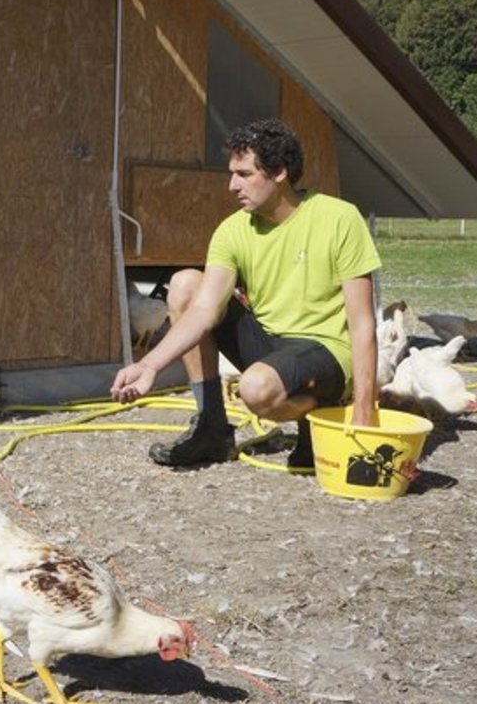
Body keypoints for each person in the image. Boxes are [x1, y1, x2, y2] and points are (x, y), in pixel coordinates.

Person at [110, 118, 381, 469]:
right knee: (186, 285)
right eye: (232, 173)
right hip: (270, 342)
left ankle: (321, 416)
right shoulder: (232, 230)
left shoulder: (340, 218)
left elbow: (362, 324)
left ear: (279, 171)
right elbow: (203, 310)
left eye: (244, 174)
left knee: (255, 388)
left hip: (326, 350)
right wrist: (149, 366)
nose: (232, 185)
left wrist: (365, 412)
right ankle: (212, 428)